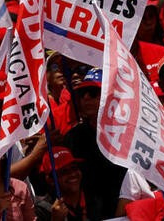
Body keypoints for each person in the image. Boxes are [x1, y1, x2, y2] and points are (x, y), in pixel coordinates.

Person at [63, 69, 126, 219]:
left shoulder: (127, 134)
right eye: (81, 94)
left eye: (92, 93)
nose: (85, 98)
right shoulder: (73, 137)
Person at [35, 147, 86, 221]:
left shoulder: (96, 196)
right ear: (50, 180)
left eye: (74, 168)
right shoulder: (42, 210)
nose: (72, 174)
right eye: (64, 171)